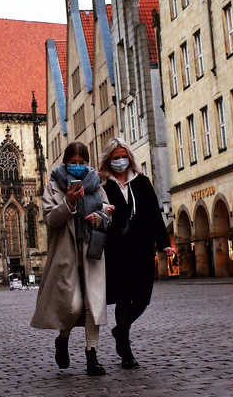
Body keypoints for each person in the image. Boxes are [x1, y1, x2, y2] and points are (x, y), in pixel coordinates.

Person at [31, 142, 112, 376]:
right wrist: (68, 202)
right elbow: (50, 219)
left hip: (91, 254)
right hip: (66, 255)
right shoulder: (54, 186)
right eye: (73, 163)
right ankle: (62, 338)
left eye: (82, 163)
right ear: (65, 163)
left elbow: (106, 214)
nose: (78, 167)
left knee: (92, 306)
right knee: (73, 306)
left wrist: (101, 218)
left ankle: (92, 355)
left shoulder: (95, 184)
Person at [99, 138, 173, 368]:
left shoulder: (141, 182)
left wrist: (163, 243)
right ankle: (126, 352)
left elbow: (153, 214)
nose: (120, 160)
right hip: (117, 249)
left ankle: (120, 330)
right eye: (115, 157)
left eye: (123, 156)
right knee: (123, 296)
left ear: (129, 157)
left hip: (141, 247)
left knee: (142, 298)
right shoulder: (103, 184)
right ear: (109, 160)